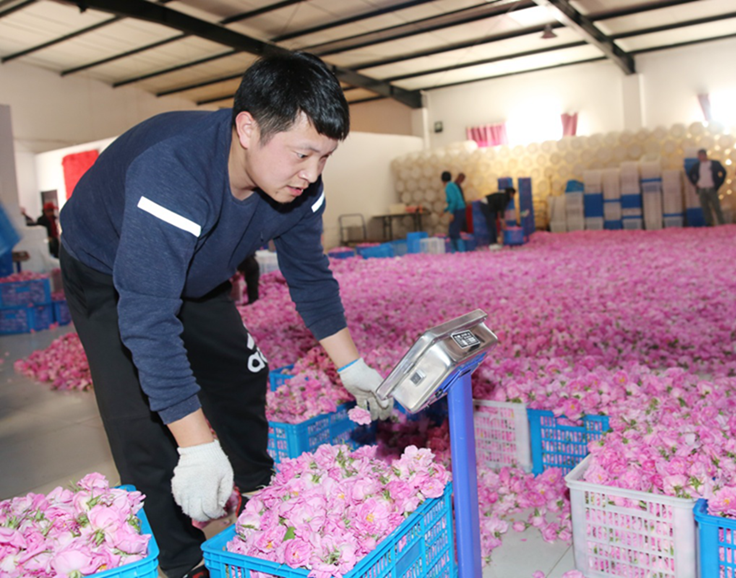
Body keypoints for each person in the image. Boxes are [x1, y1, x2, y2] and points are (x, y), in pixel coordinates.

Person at [58, 52, 391, 578]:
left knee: (240, 372)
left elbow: (310, 277)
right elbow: (146, 316)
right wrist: (195, 446)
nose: (312, 174)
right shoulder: (175, 172)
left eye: (325, 157)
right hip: (107, 269)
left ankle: (259, 491)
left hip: (196, 270)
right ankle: (183, 561)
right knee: (143, 421)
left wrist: (352, 369)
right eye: (303, 154)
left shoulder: (300, 190)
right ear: (247, 128)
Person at [687, 148, 726, 226]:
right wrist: (696, 183)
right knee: (705, 207)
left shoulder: (714, 163)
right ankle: (709, 222)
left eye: (701, 155)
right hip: (702, 188)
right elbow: (691, 174)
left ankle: (721, 222)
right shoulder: (697, 165)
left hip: (712, 188)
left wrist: (718, 183)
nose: (700, 157)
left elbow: (723, 172)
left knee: (716, 206)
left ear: (705, 155)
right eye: (699, 156)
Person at [442, 171, 466, 252]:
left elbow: (454, 201)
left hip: (458, 210)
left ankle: (460, 251)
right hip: (460, 209)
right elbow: (454, 201)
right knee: (452, 231)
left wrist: (451, 213)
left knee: (454, 231)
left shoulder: (448, 187)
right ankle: (455, 252)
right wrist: (445, 210)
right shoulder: (452, 185)